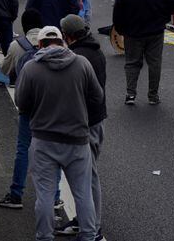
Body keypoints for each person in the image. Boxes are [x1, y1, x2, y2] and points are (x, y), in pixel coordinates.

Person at [14, 26, 103, 241]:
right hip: (77, 140)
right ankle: (89, 235)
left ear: (40, 44)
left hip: (44, 140)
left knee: (44, 195)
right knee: (83, 194)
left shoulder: (32, 68)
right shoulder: (81, 64)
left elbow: (21, 103)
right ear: (62, 41)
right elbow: (97, 97)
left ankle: (44, 236)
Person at [58, 14, 107, 239]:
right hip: (95, 120)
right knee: (85, 175)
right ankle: (86, 220)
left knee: (87, 176)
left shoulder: (77, 57)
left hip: (84, 123)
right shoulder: (95, 50)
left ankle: (93, 226)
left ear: (67, 35)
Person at [112, 0, 174, 105]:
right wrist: (164, 16)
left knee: (132, 63)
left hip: (133, 32)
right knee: (154, 63)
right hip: (155, 31)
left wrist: (120, 29)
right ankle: (153, 95)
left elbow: (117, 13)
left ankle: (131, 94)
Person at [0, 9, 42, 209]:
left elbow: (4, 69)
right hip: (51, 106)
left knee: (23, 148)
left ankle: (16, 194)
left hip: (27, 105)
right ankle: (55, 197)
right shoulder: (57, 43)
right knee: (51, 151)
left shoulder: (17, 45)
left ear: (24, 26)